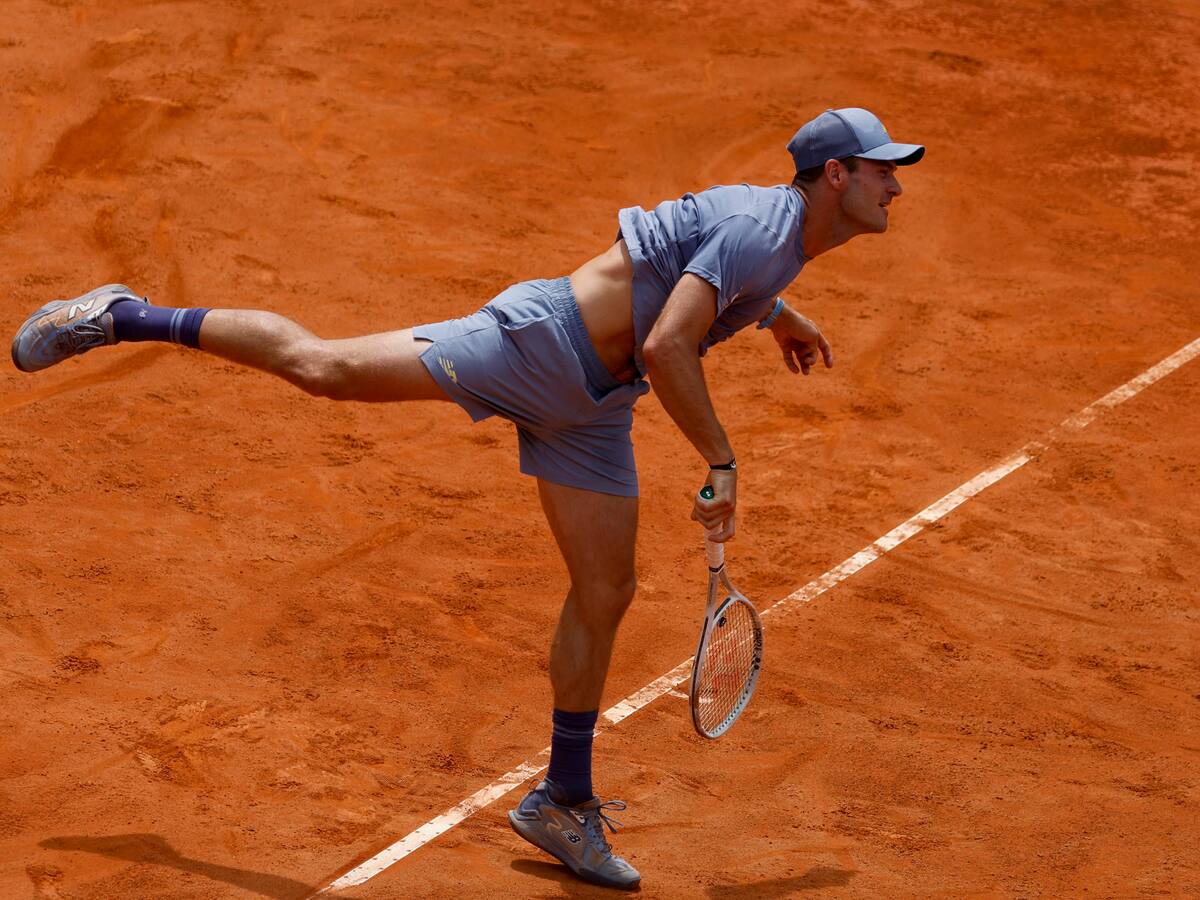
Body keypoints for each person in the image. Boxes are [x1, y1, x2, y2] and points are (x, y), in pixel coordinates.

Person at [11, 107, 923, 890]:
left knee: (607, 592)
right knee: (322, 366)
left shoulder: (786, 238)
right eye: (884, 172)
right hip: (535, 347)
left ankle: (563, 801)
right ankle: (120, 314)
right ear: (834, 174)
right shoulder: (769, 230)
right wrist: (720, 460)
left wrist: (777, 315)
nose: (897, 188)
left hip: (593, 411)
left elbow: (704, 272)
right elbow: (667, 346)